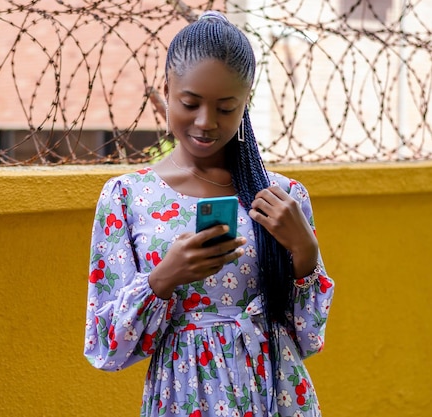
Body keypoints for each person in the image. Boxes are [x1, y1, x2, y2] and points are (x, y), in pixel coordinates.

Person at [83, 10, 335, 417]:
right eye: (190, 102)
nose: (205, 122)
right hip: (184, 398)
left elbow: (307, 339)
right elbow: (106, 348)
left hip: (276, 395)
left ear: (245, 103)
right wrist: (166, 276)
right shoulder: (127, 197)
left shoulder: (282, 197)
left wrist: (305, 252)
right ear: (166, 89)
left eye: (225, 107)